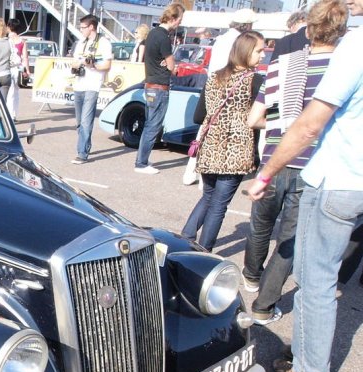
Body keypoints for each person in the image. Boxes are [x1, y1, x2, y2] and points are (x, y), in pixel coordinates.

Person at [247, 0, 363, 372]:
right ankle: (303, 348)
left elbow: (309, 124)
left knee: (315, 280)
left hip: (334, 177)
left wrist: (265, 172)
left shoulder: (353, 47)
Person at [241, 0, 347, 325]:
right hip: (313, 164)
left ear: (309, 28)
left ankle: (251, 274)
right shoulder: (343, 67)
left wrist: (279, 127)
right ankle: (264, 304)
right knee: (290, 237)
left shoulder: (283, 66)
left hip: (274, 158)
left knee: (261, 224)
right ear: (341, 30)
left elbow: (254, 118)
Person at [180, 32, 266, 252]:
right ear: (246, 52)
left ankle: (186, 236)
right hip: (236, 151)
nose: (263, 55)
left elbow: (199, 116)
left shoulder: (214, 78)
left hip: (210, 147)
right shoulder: (255, 81)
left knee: (208, 196)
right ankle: (204, 250)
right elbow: (259, 119)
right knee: (219, 205)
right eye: (259, 51)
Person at [134, 2, 186, 175]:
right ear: (173, 18)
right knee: (153, 126)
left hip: (149, 84)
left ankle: (141, 160)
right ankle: (141, 163)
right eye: (180, 19)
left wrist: (165, 63)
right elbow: (171, 65)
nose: (180, 22)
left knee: (149, 124)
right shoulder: (164, 37)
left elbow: (158, 60)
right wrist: (171, 66)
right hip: (160, 87)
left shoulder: (152, 33)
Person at [69, 14, 113, 164]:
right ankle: (85, 145)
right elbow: (74, 61)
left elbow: (107, 65)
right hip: (79, 84)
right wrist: (78, 63)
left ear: (91, 27)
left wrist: (92, 64)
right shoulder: (81, 42)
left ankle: (82, 153)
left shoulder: (104, 43)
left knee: (86, 121)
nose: (81, 30)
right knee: (79, 122)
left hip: (93, 85)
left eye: (83, 27)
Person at [209, 9, 258, 74]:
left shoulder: (222, 38)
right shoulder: (240, 40)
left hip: (215, 77)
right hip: (228, 77)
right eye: (251, 25)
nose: (251, 28)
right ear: (247, 25)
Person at [5, 19, 30, 122]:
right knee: (15, 93)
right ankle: (13, 115)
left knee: (7, 93)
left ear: (8, 27)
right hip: (18, 69)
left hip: (6, 68)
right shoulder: (22, 41)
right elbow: (25, 58)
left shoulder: (5, 40)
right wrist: (27, 70)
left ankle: (7, 115)